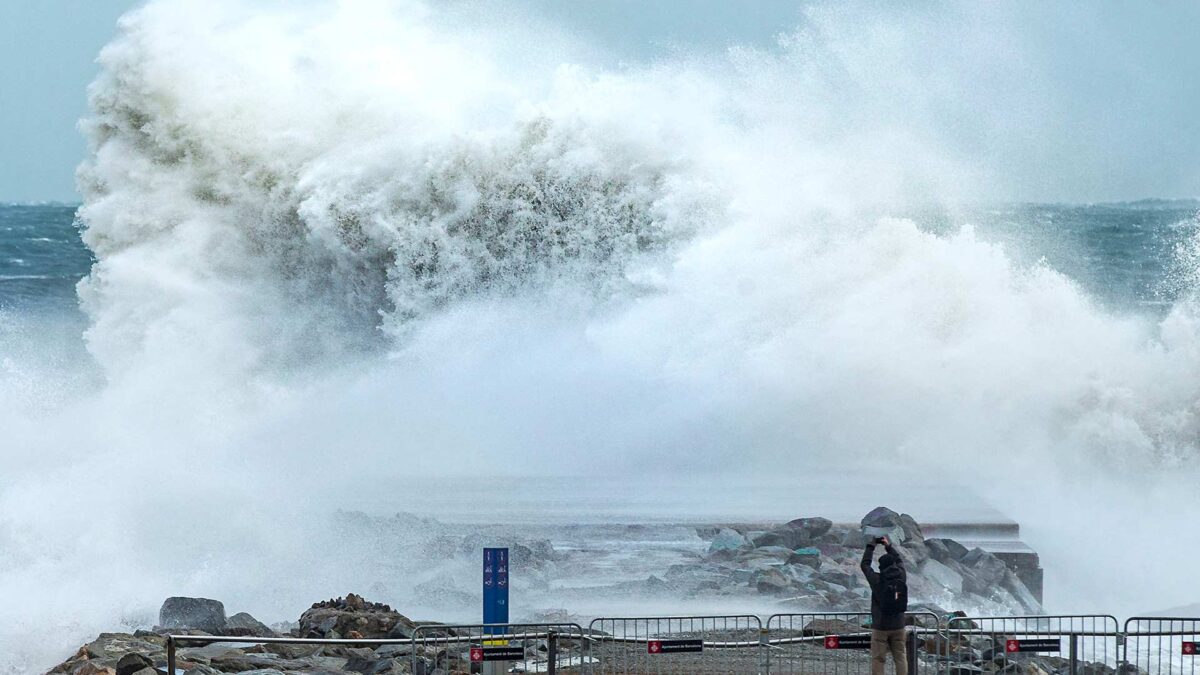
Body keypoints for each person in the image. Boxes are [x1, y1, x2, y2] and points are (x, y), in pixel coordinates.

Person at [860, 536, 908, 675]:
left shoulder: (877, 580)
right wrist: (888, 546)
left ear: (881, 567)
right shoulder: (902, 576)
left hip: (881, 626)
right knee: (900, 657)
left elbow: (865, 565)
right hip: (899, 624)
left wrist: (871, 546)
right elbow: (900, 560)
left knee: (878, 658)